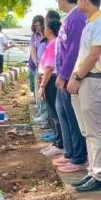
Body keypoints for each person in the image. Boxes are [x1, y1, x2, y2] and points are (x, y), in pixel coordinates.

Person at [67, 0, 101, 192]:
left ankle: (99, 175)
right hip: (84, 80)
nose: (77, 3)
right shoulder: (90, 23)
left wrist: (77, 76)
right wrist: (74, 76)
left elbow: (94, 55)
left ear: (86, 0)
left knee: (95, 131)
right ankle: (92, 171)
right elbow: (83, 55)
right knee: (87, 131)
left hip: (94, 79)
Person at [52, 0, 89, 173]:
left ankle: (79, 157)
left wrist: (64, 75)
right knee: (64, 114)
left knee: (74, 118)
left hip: (71, 76)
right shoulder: (70, 18)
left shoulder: (77, 18)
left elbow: (74, 51)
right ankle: (70, 153)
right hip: (64, 75)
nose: (57, 1)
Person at [39, 20, 65, 156]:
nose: (43, 30)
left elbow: (49, 68)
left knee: (56, 113)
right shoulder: (54, 43)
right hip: (51, 79)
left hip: (51, 80)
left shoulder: (53, 44)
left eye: (45, 28)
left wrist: (42, 86)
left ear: (50, 30)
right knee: (55, 112)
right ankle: (57, 141)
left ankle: (60, 143)